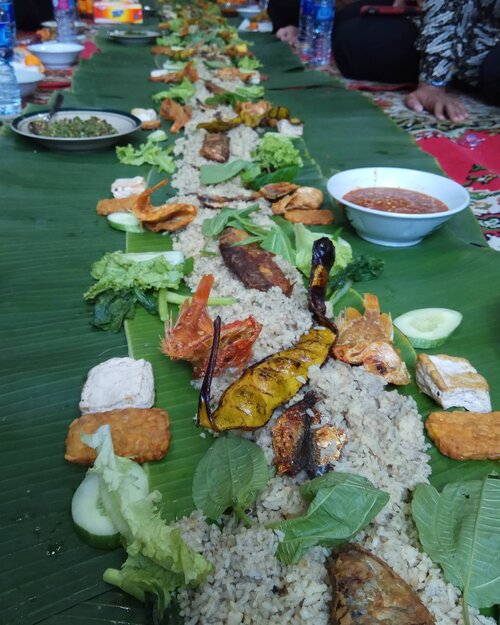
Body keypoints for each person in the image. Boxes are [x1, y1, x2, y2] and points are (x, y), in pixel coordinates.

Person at [267, 0, 500, 121]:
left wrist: (433, 81)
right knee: (353, 39)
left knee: (493, 72)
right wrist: (432, 84)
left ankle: (453, 65)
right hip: (468, 24)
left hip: (481, 39)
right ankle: (450, 63)